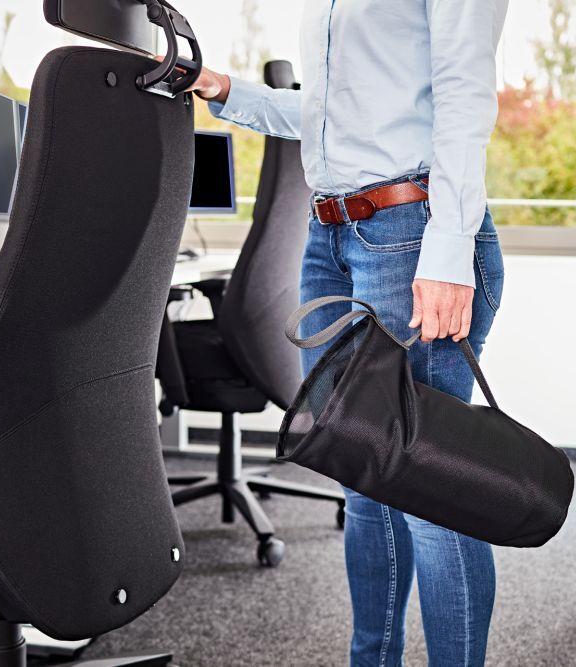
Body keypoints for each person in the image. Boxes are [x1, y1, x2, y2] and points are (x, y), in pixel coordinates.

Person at [186, 1, 509, 663]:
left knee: (432, 490)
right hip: (331, 237)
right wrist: (225, 90)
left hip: (412, 231)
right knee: (364, 476)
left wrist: (448, 253)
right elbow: (328, 116)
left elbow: (464, 92)